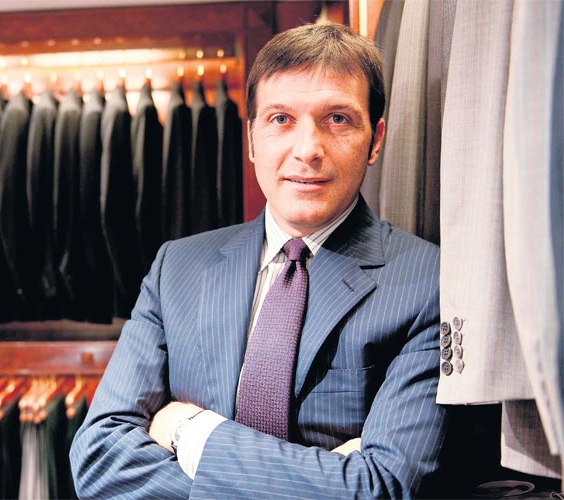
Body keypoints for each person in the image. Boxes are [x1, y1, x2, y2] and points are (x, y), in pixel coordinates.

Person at [70, 22, 449, 499]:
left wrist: (191, 431)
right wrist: (324, 480)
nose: (307, 150)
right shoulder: (176, 269)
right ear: (251, 139)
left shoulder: (428, 284)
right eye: (280, 119)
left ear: (375, 140)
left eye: (337, 119)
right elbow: (99, 460)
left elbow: (382, 487)